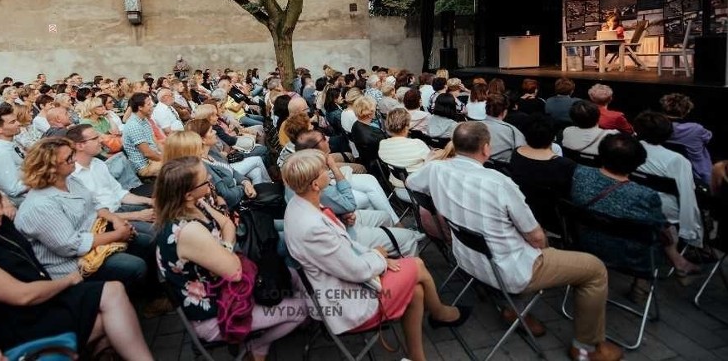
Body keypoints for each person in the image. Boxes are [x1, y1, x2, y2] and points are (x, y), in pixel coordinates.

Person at [407, 123, 622, 361]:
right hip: (509, 268)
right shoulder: (499, 183)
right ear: (486, 149)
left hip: (467, 259)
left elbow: (412, 184)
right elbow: (536, 237)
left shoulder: (437, 169)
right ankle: (586, 348)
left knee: (522, 245)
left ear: (455, 146)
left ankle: (514, 309)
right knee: (594, 269)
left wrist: (446, 199)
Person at [0, 179, 153, 359]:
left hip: (38, 303)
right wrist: (71, 280)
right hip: (9, 326)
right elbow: (22, 296)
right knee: (112, 320)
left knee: (113, 292)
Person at [283, 149, 469, 361]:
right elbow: (356, 269)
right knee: (416, 265)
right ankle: (440, 313)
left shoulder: (300, 206)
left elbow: (341, 249)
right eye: (325, 170)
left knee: (416, 290)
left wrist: (373, 253)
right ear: (315, 185)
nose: (329, 172)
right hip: (344, 301)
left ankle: (420, 352)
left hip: (337, 283)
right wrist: (379, 256)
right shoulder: (312, 225)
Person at [155, 157, 306, 361]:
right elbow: (234, 271)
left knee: (293, 276)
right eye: (204, 180)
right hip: (219, 311)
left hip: (225, 289)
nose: (210, 178)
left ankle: (280, 319)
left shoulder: (192, 206)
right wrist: (227, 245)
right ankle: (256, 348)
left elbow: (227, 225)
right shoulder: (187, 230)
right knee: (302, 310)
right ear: (188, 194)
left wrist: (220, 226)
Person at [14, 138, 149, 289]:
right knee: (135, 266)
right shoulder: (40, 205)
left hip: (94, 236)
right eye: (68, 158)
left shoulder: (70, 180)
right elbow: (70, 245)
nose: (74, 159)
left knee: (146, 242)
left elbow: (95, 205)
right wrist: (118, 235)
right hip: (73, 264)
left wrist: (115, 219)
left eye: (72, 154)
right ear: (50, 167)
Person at [570, 134, 700, 278]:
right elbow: (659, 230)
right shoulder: (644, 195)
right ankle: (643, 285)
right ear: (637, 163)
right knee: (666, 232)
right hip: (632, 259)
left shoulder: (580, 173)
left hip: (582, 243)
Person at [633, 112, 703, 249]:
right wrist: (691, 234)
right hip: (665, 212)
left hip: (634, 204)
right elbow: (688, 197)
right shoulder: (676, 160)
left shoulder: (628, 148)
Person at [660, 93, 714, 184]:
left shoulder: (656, 127)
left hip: (665, 173)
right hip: (698, 177)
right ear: (687, 110)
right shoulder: (696, 129)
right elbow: (708, 137)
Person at [122, 93, 164, 179]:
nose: (152, 105)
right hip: (145, 166)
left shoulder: (144, 119)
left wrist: (167, 154)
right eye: (148, 104)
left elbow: (155, 141)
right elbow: (147, 153)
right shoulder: (134, 125)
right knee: (179, 166)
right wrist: (166, 159)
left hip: (154, 159)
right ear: (140, 107)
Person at [483, 93, 526, 163]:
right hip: (502, 170)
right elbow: (522, 151)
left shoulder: (471, 127)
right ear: (505, 111)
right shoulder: (512, 131)